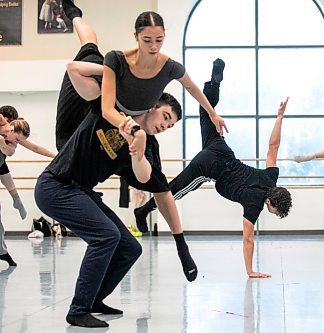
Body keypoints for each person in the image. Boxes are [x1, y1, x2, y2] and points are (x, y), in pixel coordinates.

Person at [33, 18, 198, 329]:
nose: (165, 125)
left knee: (130, 247)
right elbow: (74, 68)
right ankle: (79, 309)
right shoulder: (106, 106)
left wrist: (137, 149)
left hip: (79, 190)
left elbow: (151, 181)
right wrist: (111, 71)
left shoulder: (148, 146)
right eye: (165, 116)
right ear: (150, 106)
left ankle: (95, 300)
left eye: (171, 124)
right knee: (106, 237)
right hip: (56, 185)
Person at [134, 59, 293, 278]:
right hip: (209, 167)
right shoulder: (255, 204)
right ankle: (143, 210)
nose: (273, 214)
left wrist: (280, 117)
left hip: (220, 147)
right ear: (270, 202)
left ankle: (213, 84)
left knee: (206, 111)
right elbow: (248, 238)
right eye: (276, 212)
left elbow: (272, 147)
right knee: (173, 191)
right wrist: (250, 271)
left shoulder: (271, 176)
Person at [60, 1, 227, 159]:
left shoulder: (171, 67)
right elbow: (107, 110)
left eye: (159, 40)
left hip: (116, 91)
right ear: (136, 36)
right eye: (147, 40)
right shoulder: (117, 59)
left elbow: (191, 88)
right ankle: (74, 14)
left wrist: (213, 114)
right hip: (102, 82)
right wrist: (111, 72)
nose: (154, 46)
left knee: (90, 43)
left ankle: (74, 14)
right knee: (89, 44)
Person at [0, 119, 31, 267]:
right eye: (17, 139)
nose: (17, 142)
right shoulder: (5, 128)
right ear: (12, 130)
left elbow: (10, 152)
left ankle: (1, 251)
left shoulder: (10, 143)